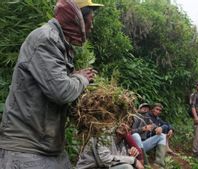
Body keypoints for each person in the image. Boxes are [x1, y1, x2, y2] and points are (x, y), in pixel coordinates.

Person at [0, 0, 100, 168]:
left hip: (48, 149)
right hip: (27, 150)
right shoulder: (46, 39)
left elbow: (55, 84)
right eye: (91, 17)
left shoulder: (59, 43)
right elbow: (61, 91)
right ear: (77, 18)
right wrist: (82, 78)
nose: (92, 24)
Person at [76, 124, 144, 169]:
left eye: (128, 123)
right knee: (127, 167)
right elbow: (105, 160)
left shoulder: (123, 139)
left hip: (103, 167)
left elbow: (118, 159)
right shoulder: (103, 133)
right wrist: (132, 160)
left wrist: (130, 155)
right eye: (122, 121)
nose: (124, 125)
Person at [131, 103, 171, 167]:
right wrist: (143, 129)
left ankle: (159, 163)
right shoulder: (135, 117)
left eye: (147, 108)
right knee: (136, 135)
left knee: (162, 136)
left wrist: (160, 128)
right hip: (133, 146)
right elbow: (130, 132)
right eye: (143, 107)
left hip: (143, 145)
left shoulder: (148, 119)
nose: (145, 109)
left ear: (149, 110)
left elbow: (161, 126)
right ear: (139, 108)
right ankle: (145, 163)